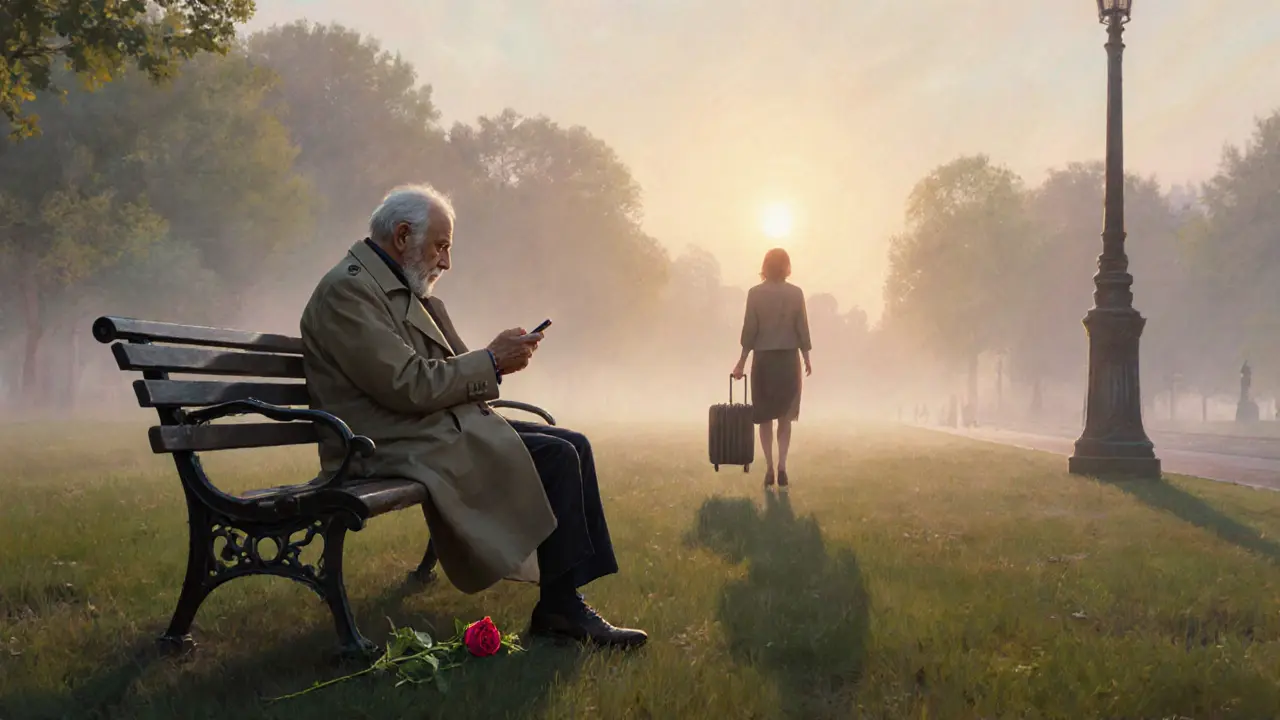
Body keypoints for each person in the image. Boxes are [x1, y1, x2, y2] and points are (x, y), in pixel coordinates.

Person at [299, 183, 647, 649]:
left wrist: (498, 358)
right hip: (379, 444)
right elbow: (408, 384)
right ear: (402, 236)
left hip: (423, 430)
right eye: (441, 247)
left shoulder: (393, 288)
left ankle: (564, 602)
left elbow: (440, 372)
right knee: (558, 456)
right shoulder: (349, 291)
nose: (446, 262)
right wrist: (492, 361)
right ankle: (561, 610)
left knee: (574, 444)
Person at [731, 248, 812, 488]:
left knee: (764, 418)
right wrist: (806, 357)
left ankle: (768, 467)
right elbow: (802, 328)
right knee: (785, 418)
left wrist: (741, 361)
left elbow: (750, 331)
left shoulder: (755, 294)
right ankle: (782, 466)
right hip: (788, 360)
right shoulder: (796, 293)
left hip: (764, 360)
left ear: (765, 266)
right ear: (786, 266)